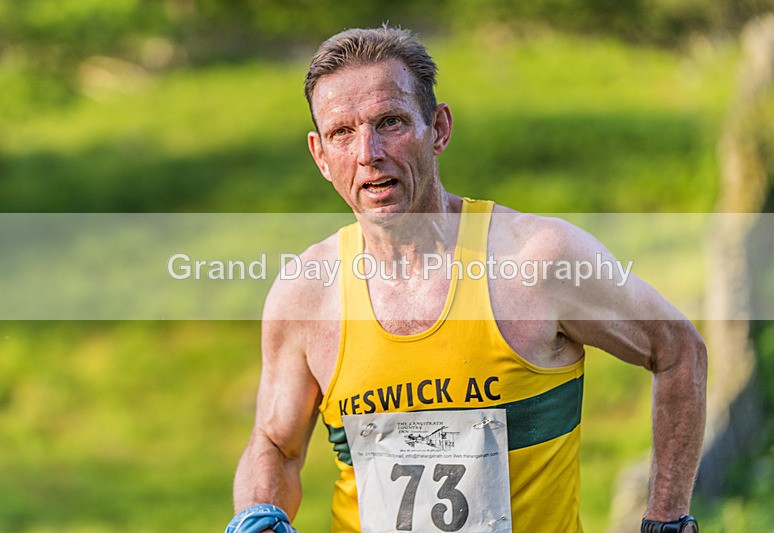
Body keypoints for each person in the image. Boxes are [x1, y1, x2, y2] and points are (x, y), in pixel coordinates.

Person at [229, 26, 707, 533]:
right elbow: (276, 445)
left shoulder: (537, 260)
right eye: (341, 133)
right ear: (320, 156)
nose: (367, 152)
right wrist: (260, 512)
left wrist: (667, 521)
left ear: (438, 128)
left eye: (389, 122)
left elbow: (678, 351)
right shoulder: (306, 292)